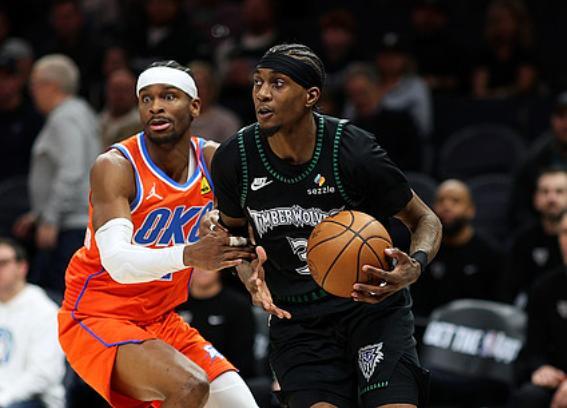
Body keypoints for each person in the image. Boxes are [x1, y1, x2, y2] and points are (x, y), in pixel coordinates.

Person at [211, 43, 442, 408]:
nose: (262, 93)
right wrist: (247, 273)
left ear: (311, 96)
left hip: (370, 308)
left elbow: (424, 218)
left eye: (277, 83)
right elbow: (234, 234)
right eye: (257, 82)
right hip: (298, 320)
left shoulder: (353, 150)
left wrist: (416, 265)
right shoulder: (234, 158)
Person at [58, 60, 259, 408]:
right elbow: (118, 263)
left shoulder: (214, 160)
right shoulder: (116, 166)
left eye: (168, 96)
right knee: (190, 386)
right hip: (97, 315)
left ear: (195, 106)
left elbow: (246, 230)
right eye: (146, 98)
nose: (156, 106)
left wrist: (251, 270)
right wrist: (190, 254)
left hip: (161, 317)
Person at [12, 54, 101, 297]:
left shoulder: (66, 118)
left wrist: (50, 218)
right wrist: (38, 215)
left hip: (70, 225)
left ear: (50, 86)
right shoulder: (79, 112)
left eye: (34, 84)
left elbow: (72, 171)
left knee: (58, 296)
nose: (32, 92)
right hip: (72, 220)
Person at [411, 179, 503, 323]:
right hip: (428, 326)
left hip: (475, 327)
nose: (446, 206)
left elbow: (498, 306)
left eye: (455, 201)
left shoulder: (490, 253)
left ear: (471, 210)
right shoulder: (422, 250)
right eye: (441, 200)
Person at [507, 209, 567, 408]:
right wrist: (541, 368)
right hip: (558, 377)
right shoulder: (545, 287)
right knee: (528, 397)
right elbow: (534, 346)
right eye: (565, 233)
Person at [0, 237, 65, 408]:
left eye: (3, 263)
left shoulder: (43, 310)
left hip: (33, 399)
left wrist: (3, 399)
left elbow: (43, 374)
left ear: (22, 267)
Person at [504, 167, 567, 306]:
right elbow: (509, 289)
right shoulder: (523, 240)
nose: (551, 198)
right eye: (545, 192)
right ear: (535, 199)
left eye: (559, 191)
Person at [508, 92, 567, 228]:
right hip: (547, 229)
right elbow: (519, 208)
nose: (566, 122)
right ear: (552, 119)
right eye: (560, 116)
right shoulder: (535, 157)